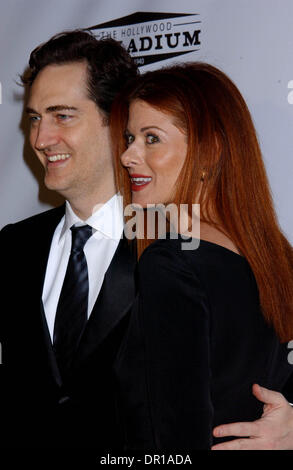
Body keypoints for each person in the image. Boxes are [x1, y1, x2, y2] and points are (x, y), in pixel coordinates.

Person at [110, 62, 293, 450]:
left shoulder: (171, 261)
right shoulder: (278, 257)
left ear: (210, 150)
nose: (127, 156)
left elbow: (179, 439)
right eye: (129, 138)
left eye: (151, 138)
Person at [0, 30, 138, 449]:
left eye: (62, 116)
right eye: (36, 118)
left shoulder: (178, 241)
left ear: (116, 120)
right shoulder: (12, 247)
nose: (40, 140)